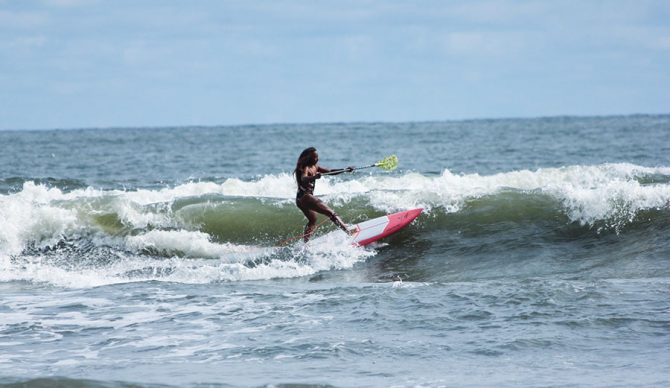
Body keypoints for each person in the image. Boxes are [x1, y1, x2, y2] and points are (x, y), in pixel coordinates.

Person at [294, 147, 354, 242]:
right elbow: (303, 178)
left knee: (312, 220)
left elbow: (330, 171)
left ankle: (305, 243)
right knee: (331, 213)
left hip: (299, 199)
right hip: (305, 197)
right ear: (308, 158)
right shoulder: (305, 168)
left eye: (317, 157)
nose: (316, 159)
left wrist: (345, 170)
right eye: (314, 158)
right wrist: (314, 177)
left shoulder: (315, 166)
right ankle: (348, 231)